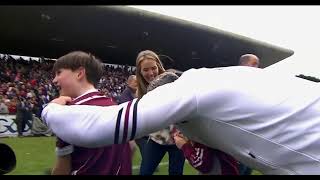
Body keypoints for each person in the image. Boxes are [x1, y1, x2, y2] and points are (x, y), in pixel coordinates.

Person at [42, 66, 320, 175]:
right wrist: (188, 147)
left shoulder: (191, 87)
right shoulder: (211, 95)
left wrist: (51, 110)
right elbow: (222, 171)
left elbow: (105, 127)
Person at [50, 51, 132, 175]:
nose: (54, 80)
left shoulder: (68, 113)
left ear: (80, 73)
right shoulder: (114, 106)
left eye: (59, 73)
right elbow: (132, 147)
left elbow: (62, 169)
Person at [135, 50, 185, 175]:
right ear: (140, 72)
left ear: (159, 66)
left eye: (153, 68)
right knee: (144, 172)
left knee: (176, 173)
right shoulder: (140, 92)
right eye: (145, 70)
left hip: (177, 140)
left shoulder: (172, 81)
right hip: (156, 139)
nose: (151, 73)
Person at [237, 53, 260, 175]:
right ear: (243, 65)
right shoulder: (232, 83)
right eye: (254, 64)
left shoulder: (255, 88)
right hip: (233, 145)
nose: (258, 68)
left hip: (250, 148)